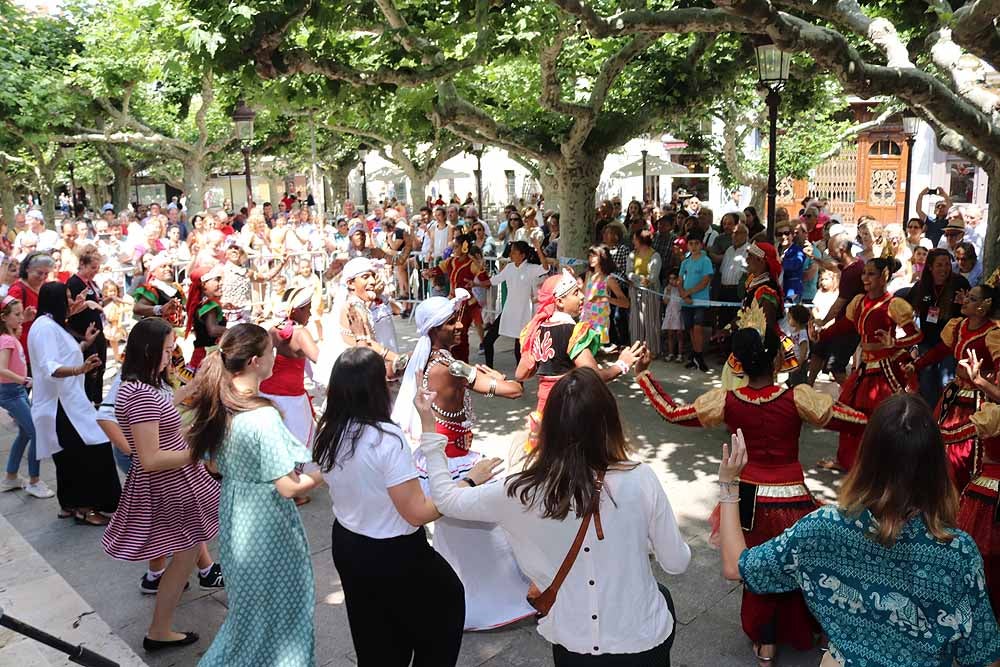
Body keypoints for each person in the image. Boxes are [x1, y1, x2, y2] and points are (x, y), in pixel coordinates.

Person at [421, 366, 691, 665]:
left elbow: (445, 499)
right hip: (642, 639)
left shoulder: (519, 491)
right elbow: (676, 563)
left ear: (549, 426)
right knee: (661, 594)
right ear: (609, 422)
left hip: (573, 643)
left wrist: (429, 430)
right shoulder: (640, 479)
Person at [636, 325, 866, 663]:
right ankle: (799, 630)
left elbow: (673, 413)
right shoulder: (797, 398)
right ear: (775, 361)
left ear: (738, 364)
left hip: (748, 500)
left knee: (753, 566)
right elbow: (854, 420)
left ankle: (766, 640)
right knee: (796, 564)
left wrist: (644, 377)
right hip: (795, 499)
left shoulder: (727, 401)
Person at [720, 394, 1000, 667]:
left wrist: (729, 484)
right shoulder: (958, 552)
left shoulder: (822, 527)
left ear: (865, 456)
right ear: (936, 466)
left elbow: (737, 567)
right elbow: (983, 655)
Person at [315, 347, 494, 666]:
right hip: (394, 553)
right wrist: (468, 482)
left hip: (349, 543)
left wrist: (427, 420)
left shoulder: (328, 430)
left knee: (375, 636)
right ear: (374, 388)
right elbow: (418, 512)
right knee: (444, 609)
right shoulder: (385, 438)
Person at [392, 291, 535, 629]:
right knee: (491, 532)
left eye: (458, 319)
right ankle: (493, 602)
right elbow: (515, 391)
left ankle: (467, 598)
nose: (460, 326)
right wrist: (497, 378)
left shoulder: (422, 358)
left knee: (460, 539)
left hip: (437, 459)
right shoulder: (451, 366)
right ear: (432, 329)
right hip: (456, 463)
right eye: (451, 322)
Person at [187, 324, 324, 667]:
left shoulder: (219, 402)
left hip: (235, 515)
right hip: (268, 523)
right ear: (253, 361)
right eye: (269, 351)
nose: (275, 355)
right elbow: (289, 487)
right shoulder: (261, 415)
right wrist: (325, 473)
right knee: (286, 608)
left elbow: (214, 467)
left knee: (249, 612)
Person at [102, 318, 221, 653]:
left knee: (186, 549)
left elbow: (160, 417)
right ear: (150, 350)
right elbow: (150, 458)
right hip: (169, 483)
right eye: (168, 350)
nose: (172, 356)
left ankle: (161, 626)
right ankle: (159, 629)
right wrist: (196, 452)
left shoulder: (142, 386)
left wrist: (184, 394)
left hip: (175, 480)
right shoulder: (139, 393)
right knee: (184, 555)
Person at [515, 270, 644, 451]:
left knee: (546, 458)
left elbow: (521, 373)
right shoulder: (572, 331)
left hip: (544, 409)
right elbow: (593, 376)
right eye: (576, 293)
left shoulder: (536, 329)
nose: (582, 296)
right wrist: (622, 364)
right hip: (568, 407)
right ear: (559, 301)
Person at [815, 257, 922, 471]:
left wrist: (895, 343)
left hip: (884, 369)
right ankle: (847, 460)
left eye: (871, 273)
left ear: (884, 276)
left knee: (882, 417)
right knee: (850, 414)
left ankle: (881, 464)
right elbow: (845, 325)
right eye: (864, 273)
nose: (865, 277)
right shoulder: (860, 302)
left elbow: (917, 336)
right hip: (864, 367)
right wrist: (822, 334)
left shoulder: (894, 304)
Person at [28, 282, 121, 525]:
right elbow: (51, 367)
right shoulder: (45, 327)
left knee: (69, 455)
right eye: (68, 298)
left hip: (67, 402)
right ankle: (86, 507)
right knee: (90, 451)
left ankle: (70, 504)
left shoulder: (50, 326)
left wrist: (84, 345)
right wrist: (81, 368)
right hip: (61, 405)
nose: (71, 302)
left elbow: (60, 356)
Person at [910, 284, 1000, 490]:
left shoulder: (993, 335)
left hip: (977, 402)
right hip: (954, 395)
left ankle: (960, 497)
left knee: (964, 454)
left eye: (972, 298)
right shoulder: (959, 326)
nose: (965, 300)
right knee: (939, 447)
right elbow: (942, 350)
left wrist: (981, 379)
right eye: (966, 296)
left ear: (983, 307)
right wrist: (916, 365)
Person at [723, 242, 798, 389]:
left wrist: (768, 353)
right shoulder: (754, 283)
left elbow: (767, 325)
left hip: (757, 346)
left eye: (750, 256)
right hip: (748, 341)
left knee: (748, 388)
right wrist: (727, 328)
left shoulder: (766, 290)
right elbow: (745, 312)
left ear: (760, 260)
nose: (747, 259)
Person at [0, 296, 51, 498]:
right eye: (17, 315)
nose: (21, 318)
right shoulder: (6, 340)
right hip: (12, 392)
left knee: (24, 433)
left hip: (16, 391)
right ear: (4, 318)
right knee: (36, 432)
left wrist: (26, 318)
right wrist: (23, 380)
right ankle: (34, 481)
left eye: (22, 313)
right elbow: (1, 369)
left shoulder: (10, 336)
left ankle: (11, 477)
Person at [907, 248, 971, 407]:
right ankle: (931, 419)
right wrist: (911, 344)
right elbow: (905, 312)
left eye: (947, 265)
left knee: (946, 381)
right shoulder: (921, 287)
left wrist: (965, 303)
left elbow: (972, 313)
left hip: (951, 344)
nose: (944, 269)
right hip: (927, 342)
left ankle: (947, 418)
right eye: (939, 265)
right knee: (927, 381)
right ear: (930, 267)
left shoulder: (959, 283)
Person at [422, 233, 490, 362]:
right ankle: (451, 362)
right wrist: (428, 272)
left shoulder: (472, 264)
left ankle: (462, 364)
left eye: (456, 247)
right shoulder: (451, 261)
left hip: (467, 305)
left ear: (464, 247)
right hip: (453, 303)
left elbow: (486, 282)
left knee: (461, 335)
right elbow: (437, 269)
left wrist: (476, 281)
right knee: (449, 333)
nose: (454, 249)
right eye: (453, 247)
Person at [483, 241, 548, 367]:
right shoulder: (510, 267)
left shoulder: (530, 269)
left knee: (519, 350)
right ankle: (488, 370)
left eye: (514, 251)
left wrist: (539, 249)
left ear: (522, 255)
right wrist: (475, 283)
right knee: (488, 341)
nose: (511, 254)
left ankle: (520, 381)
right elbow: (494, 280)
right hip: (508, 311)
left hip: (523, 313)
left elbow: (545, 268)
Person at [66, 247, 107, 405]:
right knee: (91, 370)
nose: (95, 272)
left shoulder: (92, 283)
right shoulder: (74, 283)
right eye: (92, 268)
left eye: (97, 268)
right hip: (83, 332)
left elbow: (97, 304)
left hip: (98, 329)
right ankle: (87, 401)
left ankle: (97, 401)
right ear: (82, 265)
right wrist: (87, 304)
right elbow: (70, 311)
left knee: (100, 367)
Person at [9, 251, 52, 368]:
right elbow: (6, 321)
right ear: (27, 269)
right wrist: (23, 318)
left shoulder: (44, 286)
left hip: (40, 347)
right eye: (39, 273)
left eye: (46, 274)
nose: (42, 277)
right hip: (24, 350)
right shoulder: (17, 290)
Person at [679, 228, 713, 371]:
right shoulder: (685, 262)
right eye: (691, 243)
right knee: (691, 329)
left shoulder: (706, 261)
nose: (693, 246)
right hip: (686, 301)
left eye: (696, 243)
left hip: (700, 300)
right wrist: (683, 294)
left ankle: (699, 355)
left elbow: (705, 280)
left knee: (698, 327)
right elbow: (680, 280)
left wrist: (689, 293)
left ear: (701, 245)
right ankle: (695, 355)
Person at [582, 244, 628, 348]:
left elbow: (625, 303)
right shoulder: (588, 275)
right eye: (590, 256)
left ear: (603, 257)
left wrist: (605, 299)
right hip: (585, 319)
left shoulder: (609, 279)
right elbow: (584, 294)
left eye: (594, 256)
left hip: (599, 323)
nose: (591, 259)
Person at [184, 263, 227, 374]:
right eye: (217, 280)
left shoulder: (202, 304)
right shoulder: (209, 305)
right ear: (204, 284)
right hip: (208, 356)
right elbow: (212, 330)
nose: (220, 283)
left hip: (202, 354)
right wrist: (235, 331)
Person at [627, 229, 663, 357]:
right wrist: (639, 278)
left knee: (651, 320)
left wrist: (637, 279)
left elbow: (652, 277)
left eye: (635, 239)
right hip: (635, 291)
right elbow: (628, 273)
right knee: (636, 320)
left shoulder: (655, 255)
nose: (633, 242)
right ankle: (636, 349)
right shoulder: (632, 254)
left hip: (651, 292)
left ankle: (652, 350)